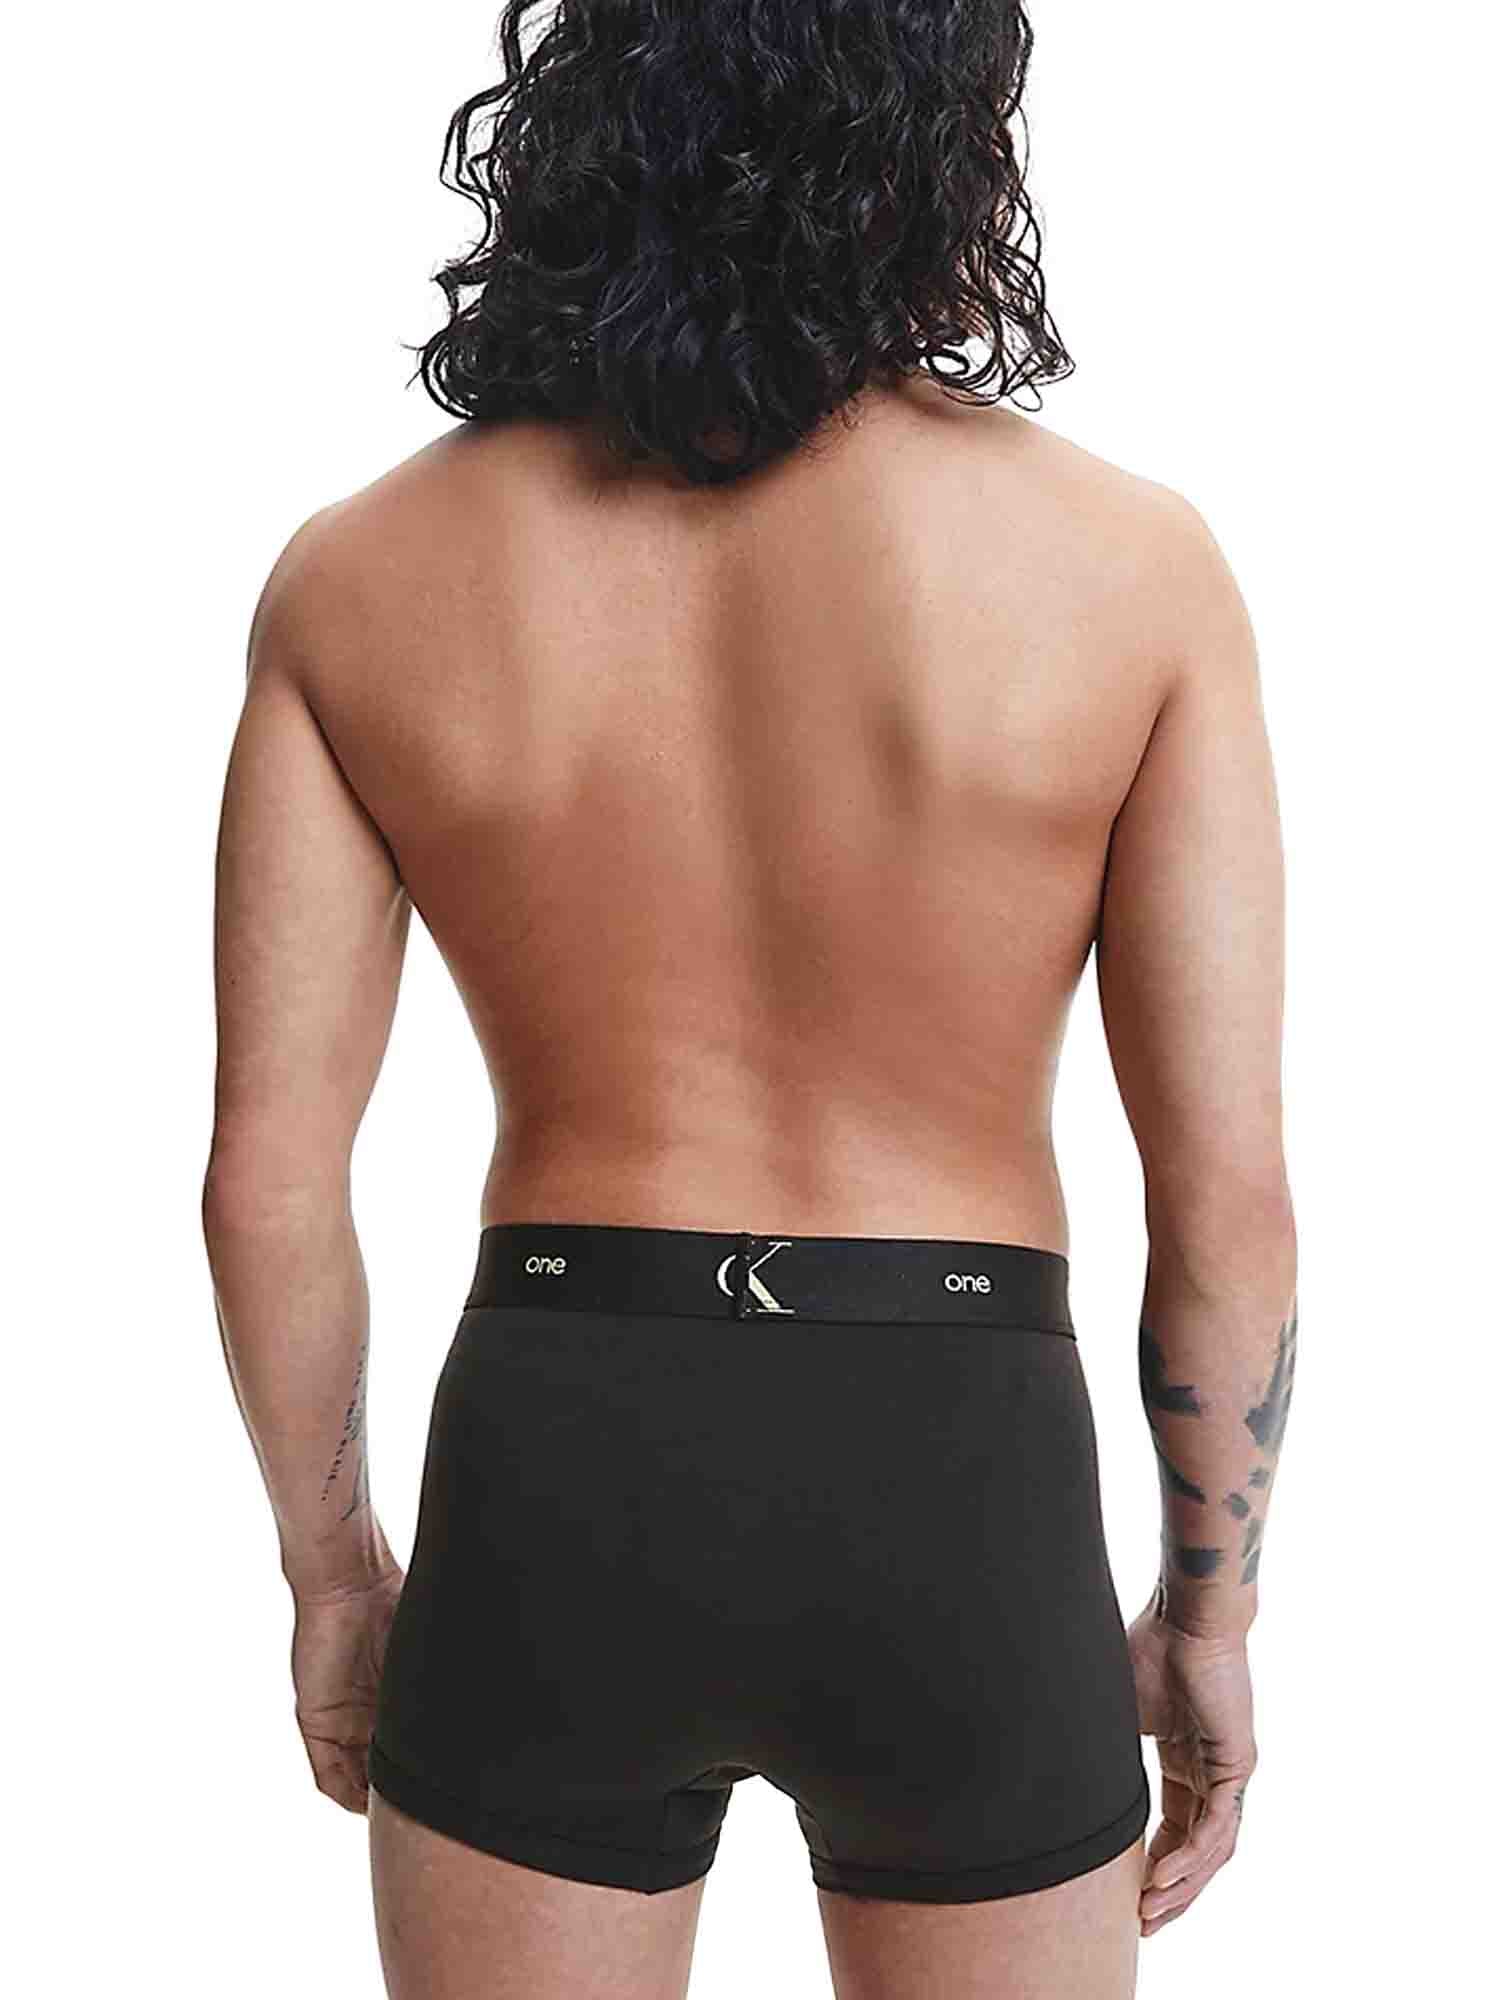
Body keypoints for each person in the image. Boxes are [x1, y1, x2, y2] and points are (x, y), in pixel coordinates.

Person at [202, 4, 1297, 1995]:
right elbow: (1226, 1202)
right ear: (945, 148)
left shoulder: (360, 575)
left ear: (578, 130)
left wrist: (333, 1577)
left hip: (565, 1447)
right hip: (959, 1459)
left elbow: (267, 1176)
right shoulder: (1133, 569)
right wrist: (1208, 1613)